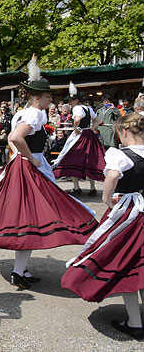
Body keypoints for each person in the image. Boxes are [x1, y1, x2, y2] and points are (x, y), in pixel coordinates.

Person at [0, 56, 98, 289]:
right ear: (37, 97)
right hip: (31, 168)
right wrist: (32, 158)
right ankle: (19, 270)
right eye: (47, 96)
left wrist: (19, 156)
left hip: (25, 166)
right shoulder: (35, 114)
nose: (50, 99)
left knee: (30, 220)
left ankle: (20, 269)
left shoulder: (27, 112)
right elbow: (15, 137)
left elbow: (14, 140)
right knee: (34, 218)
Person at [62, 113, 144, 340]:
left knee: (124, 264)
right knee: (141, 266)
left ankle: (135, 323)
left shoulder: (120, 155)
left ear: (124, 132)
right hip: (142, 206)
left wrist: (107, 199)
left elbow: (113, 175)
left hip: (126, 212)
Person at [52, 82, 105, 196]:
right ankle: (92, 188)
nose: (69, 103)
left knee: (72, 158)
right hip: (89, 135)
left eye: (71, 101)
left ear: (76, 100)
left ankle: (76, 187)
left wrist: (75, 128)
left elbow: (77, 119)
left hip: (80, 136)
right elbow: (97, 120)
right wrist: (92, 129)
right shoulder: (88, 108)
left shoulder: (77, 108)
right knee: (90, 161)